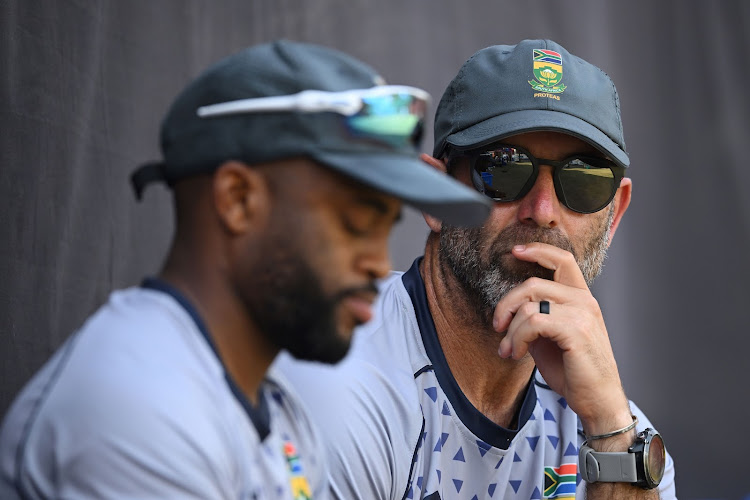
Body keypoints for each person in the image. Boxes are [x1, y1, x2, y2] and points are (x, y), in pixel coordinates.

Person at [0, 40, 491, 499]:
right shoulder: (136, 410)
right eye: (354, 221)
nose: (378, 262)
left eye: (385, 226)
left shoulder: (276, 408)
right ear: (237, 200)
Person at [277, 39, 678, 499]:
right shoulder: (345, 381)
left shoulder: (621, 438)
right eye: (503, 170)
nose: (543, 210)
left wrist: (609, 426)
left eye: (582, 180)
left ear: (614, 215)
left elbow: (618, 438)